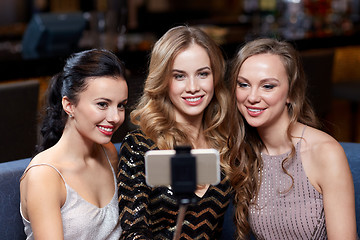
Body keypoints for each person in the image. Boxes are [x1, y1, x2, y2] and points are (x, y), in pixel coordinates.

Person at [226, 38, 358, 239]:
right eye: (243, 84)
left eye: (267, 86)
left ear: (290, 93)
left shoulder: (325, 152)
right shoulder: (244, 150)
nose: (252, 97)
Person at [117, 25, 232, 239]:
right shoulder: (140, 145)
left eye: (203, 74)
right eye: (179, 76)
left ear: (215, 77)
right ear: (163, 81)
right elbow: (134, 233)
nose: (193, 87)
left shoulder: (225, 142)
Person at [20, 49, 128, 239]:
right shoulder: (44, 175)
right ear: (69, 105)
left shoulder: (108, 153)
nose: (115, 117)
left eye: (121, 105)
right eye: (102, 104)